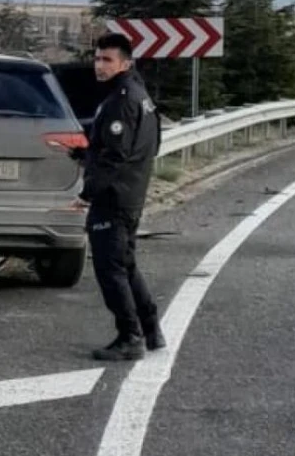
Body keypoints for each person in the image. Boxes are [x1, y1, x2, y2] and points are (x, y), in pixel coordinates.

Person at [66, 32, 164, 361]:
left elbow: (115, 156)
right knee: (126, 264)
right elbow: (139, 146)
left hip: (115, 197)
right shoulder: (139, 95)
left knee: (111, 270)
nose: (100, 66)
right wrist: (81, 155)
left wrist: (87, 194)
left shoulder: (121, 99)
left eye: (108, 60)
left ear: (126, 63)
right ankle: (150, 329)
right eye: (97, 58)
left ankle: (130, 336)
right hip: (130, 192)